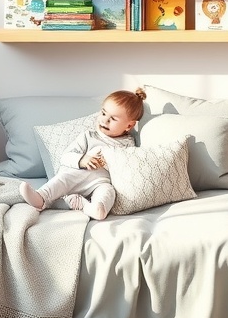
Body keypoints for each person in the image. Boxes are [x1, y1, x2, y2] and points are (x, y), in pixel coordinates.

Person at [19, 88, 146, 220]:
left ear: (129, 126)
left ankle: (95, 208)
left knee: (108, 192)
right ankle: (41, 197)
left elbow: (127, 167)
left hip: (99, 183)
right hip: (75, 177)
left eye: (113, 119)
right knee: (62, 179)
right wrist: (82, 160)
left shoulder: (127, 145)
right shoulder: (89, 137)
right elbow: (66, 156)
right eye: (103, 113)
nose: (105, 120)